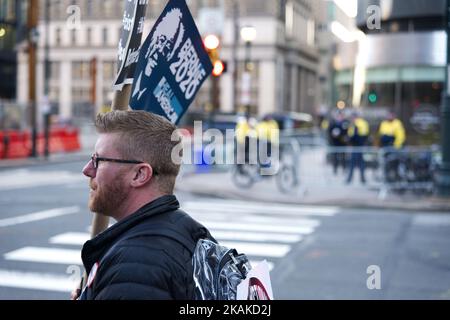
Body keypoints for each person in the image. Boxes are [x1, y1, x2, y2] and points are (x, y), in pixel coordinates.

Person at [72, 110, 215, 300]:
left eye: (98, 160)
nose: (87, 170)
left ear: (139, 174)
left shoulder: (133, 267)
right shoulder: (188, 229)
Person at [346, 111, 370, 184]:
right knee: (356, 162)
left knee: (358, 162)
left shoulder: (360, 124)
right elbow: (350, 134)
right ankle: (354, 178)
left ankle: (359, 178)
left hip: (359, 146)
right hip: (355, 146)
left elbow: (363, 135)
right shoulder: (353, 124)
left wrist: (352, 138)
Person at [327, 110, 349, 175]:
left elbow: (347, 132)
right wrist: (332, 136)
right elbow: (329, 132)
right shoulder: (333, 123)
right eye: (339, 116)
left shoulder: (345, 123)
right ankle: (335, 169)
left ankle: (344, 168)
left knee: (343, 157)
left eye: (341, 116)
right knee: (335, 157)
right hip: (335, 143)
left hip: (343, 143)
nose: (340, 117)